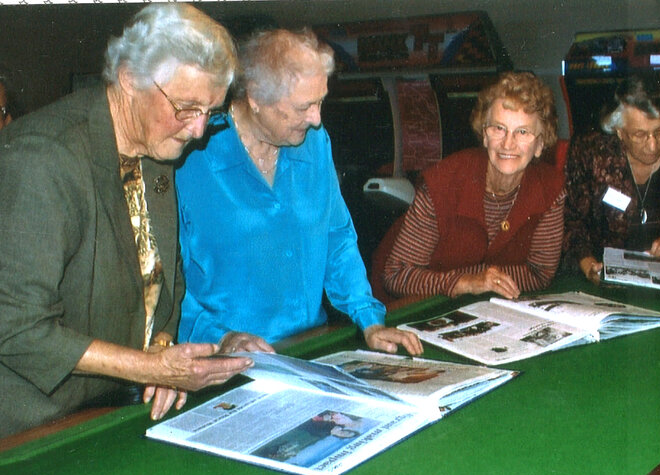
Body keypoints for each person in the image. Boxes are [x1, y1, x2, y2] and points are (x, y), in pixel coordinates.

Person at [0, 5, 250, 439]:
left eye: (211, 111)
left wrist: (162, 347)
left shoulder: (155, 150)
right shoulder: (42, 158)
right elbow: (15, 326)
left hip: (100, 413)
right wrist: (152, 368)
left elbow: (161, 281)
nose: (197, 130)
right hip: (23, 430)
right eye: (187, 107)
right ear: (130, 78)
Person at [175, 28, 421, 356]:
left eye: (320, 102)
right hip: (222, 362)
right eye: (304, 106)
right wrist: (222, 338)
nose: (316, 118)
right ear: (256, 97)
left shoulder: (315, 142)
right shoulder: (192, 157)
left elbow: (337, 239)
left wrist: (369, 318)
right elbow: (170, 279)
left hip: (307, 348)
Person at [382, 71, 565, 300]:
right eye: (498, 128)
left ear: (540, 144)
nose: (508, 143)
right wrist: (467, 282)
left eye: (522, 132)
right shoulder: (442, 182)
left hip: (477, 307)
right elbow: (396, 275)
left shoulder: (551, 188)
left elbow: (540, 273)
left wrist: (486, 281)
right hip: (405, 306)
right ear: (484, 135)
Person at [562, 74, 660, 284]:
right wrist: (589, 265)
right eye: (639, 135)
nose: (653, 146)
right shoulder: (591, 152)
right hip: (605, 274)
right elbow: (572, 220)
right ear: (619, 131)